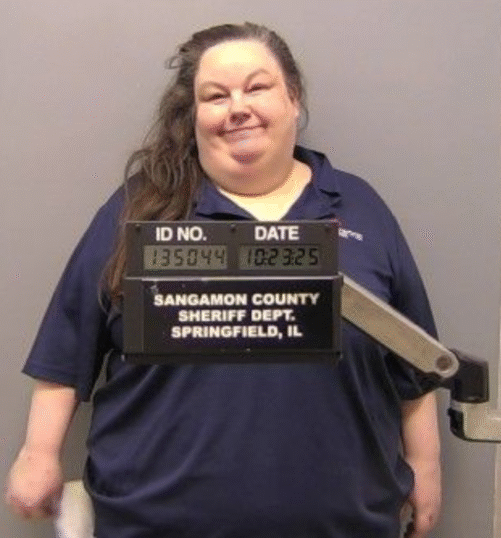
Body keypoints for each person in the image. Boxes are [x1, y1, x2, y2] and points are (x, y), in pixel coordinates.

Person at [5, 22, 442, 538]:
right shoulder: (141, 209)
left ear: (293, 99)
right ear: (194, 115)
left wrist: (426, 464)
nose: (238, 107)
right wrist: (38, 452)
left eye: (257, 87)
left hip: (341, 522)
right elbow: (68, 343)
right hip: (155, 522)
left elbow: (414, 362)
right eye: (216, 96)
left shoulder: (359, 207)